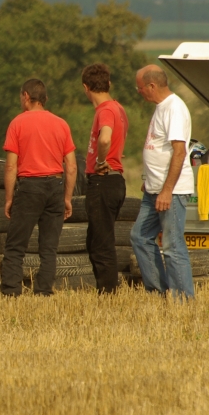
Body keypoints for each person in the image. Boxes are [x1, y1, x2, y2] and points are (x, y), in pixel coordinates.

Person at [0, 79, 77, 297]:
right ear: (45, 99)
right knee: (49, 248)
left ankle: (11, 291)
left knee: (16, 246)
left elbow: (10, 166)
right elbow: (71, 166)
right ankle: (44, 291)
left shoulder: (17, 123)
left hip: (29, 187)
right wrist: (67, 197)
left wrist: (8, 198)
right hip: (55, 186)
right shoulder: (61, 124)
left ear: (25, 96)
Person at [131, 65, 195, 299]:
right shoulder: (160, 108)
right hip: (153, 189)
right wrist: (149, 179)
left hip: (172, 191)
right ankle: (159, 292)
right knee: (140, 236)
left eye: (140, 88)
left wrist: (167, 190)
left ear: (152, 86)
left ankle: (183, 300)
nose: (139, 92)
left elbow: (179, 152)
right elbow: (158, 148)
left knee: (172, 245)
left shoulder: (174, 108)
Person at [81, 63, 130, 293]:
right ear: (108, 84)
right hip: (115, 180)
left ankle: (108, 292)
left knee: (101, 243)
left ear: (85, 88)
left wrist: (101, 161)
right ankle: (107, 288)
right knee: (96, 239)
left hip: (103, 180)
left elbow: (105, 139)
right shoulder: (118, 108)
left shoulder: (106, 111)